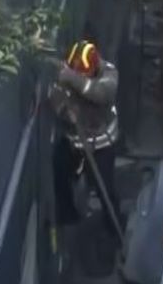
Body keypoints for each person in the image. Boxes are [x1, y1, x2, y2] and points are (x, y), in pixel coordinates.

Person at [50, 39, 121, 240]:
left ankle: (114, 230)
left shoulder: (109, 75)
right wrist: (63, 109)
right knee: (59, 168)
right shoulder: (68, 72)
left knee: (104, 189)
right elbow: (55, 96)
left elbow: (99, 93)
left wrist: (72, 79)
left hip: (101, 145)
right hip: (75, 141)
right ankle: (67, 214)